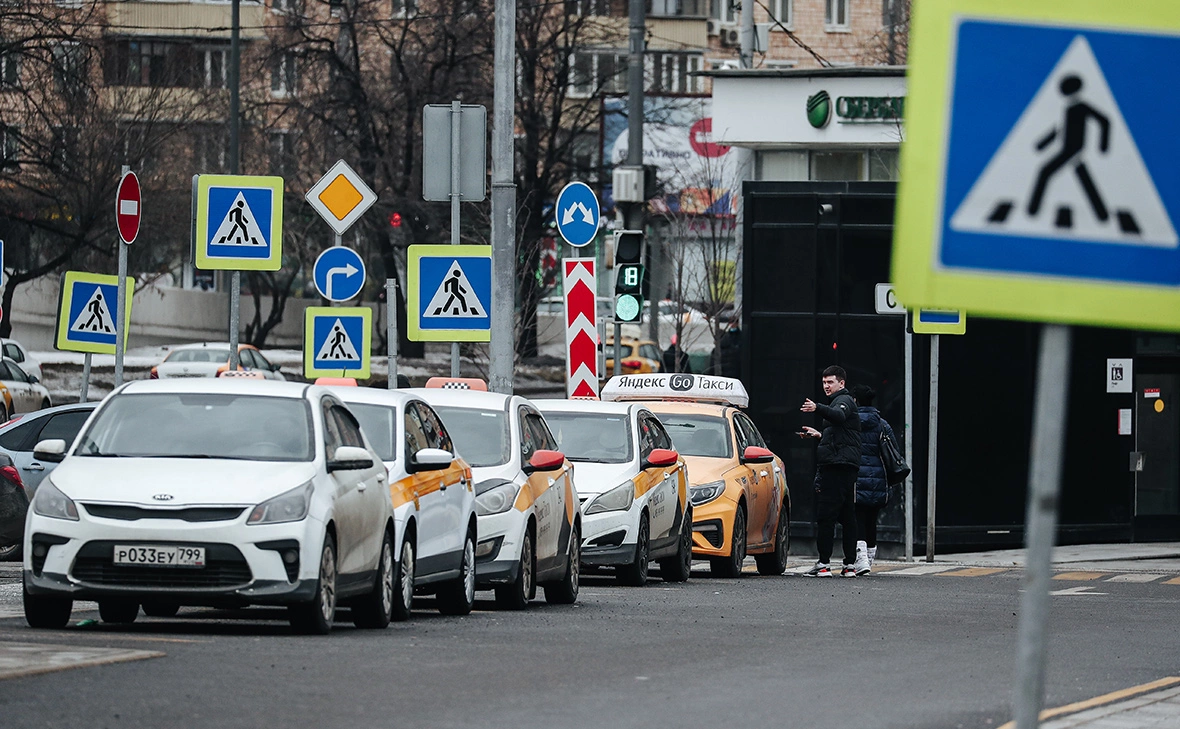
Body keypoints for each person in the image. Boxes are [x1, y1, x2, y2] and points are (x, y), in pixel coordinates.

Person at [799, 365, 868, 578]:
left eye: (830, 382)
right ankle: (849, 565)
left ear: (842, 383)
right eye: (824, 382)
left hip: (837, 468)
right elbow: (842, 435)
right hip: (843, 466)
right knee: (847, 517)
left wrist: (817, 407)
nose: (826, 386)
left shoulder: (843, 401)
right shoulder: (839, 402)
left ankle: (824, 564)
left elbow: (838, 417)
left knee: (826, 516)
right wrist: (819, 435)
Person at [849, 384, 896, 574]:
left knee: (858, 518)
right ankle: (869, 558)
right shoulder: (882, 424)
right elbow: (894, 451)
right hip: (878, 479)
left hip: (857, 477)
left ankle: (861, 561)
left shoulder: (851, 423)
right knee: (871, 520)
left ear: (855, 401)